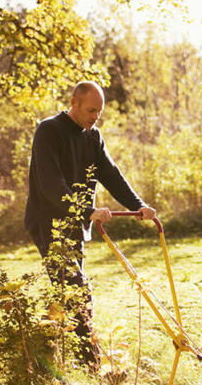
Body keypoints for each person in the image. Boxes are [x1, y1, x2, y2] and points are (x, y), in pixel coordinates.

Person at [24, 80, 156, 364]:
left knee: (69, 289)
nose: (95, 117)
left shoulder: (93, 137)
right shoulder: (49, 130)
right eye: (91, 110)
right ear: (74, 103)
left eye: (100, 112)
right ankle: (90, 362)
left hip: (75, 226)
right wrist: (88, 211)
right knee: (76, 289)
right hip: (50, 223)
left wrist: (139, 205)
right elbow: (50, 183)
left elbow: (111, 175)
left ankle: (51, 347)